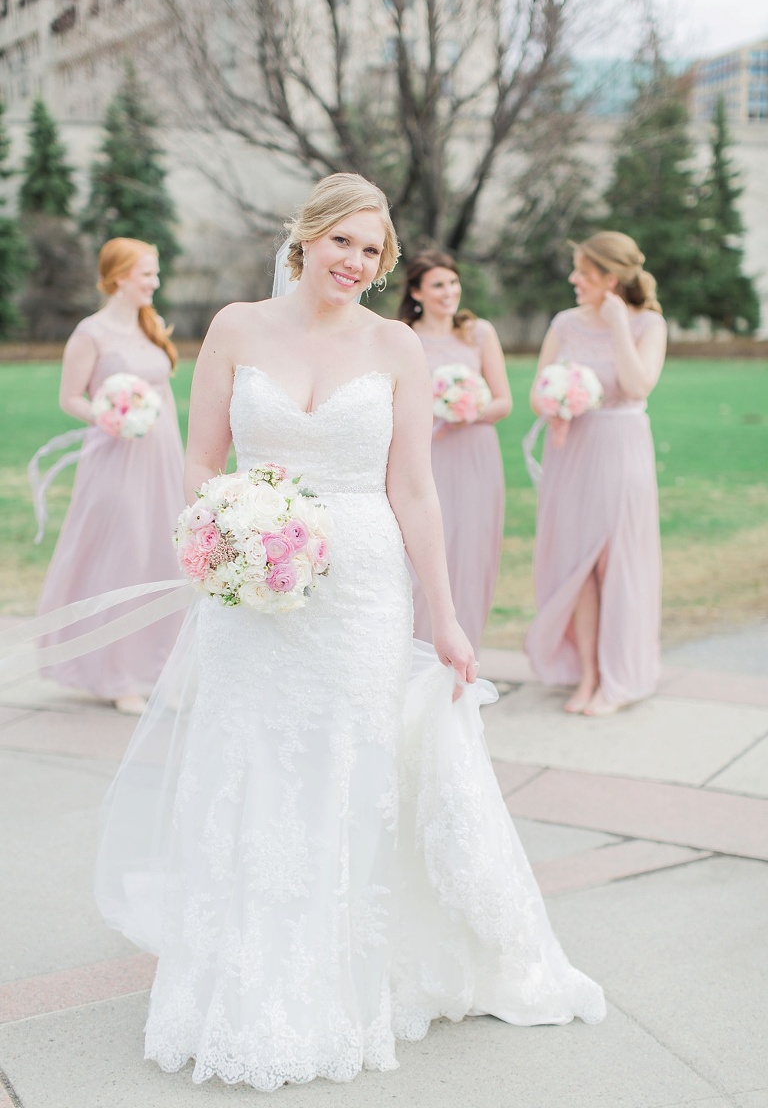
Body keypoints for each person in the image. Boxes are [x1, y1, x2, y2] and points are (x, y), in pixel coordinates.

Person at [94, 174, 605, 1091]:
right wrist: (220, 539)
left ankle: (336, 979)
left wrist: (445, 615)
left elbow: (414, 488)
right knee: (250, 763)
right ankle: (241, 979)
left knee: (345, 769)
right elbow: (203, 454)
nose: (357, 263)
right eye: (344, 242)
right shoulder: (237, 328)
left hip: (364, 587)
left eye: (373, 252)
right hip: (253, 585)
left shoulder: (395, 346)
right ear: (308, 237)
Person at [37, 238, 185, 715]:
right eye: (147, 274)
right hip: (116, 456)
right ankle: (116, 673)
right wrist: (110, 417)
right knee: (125, 550)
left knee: (161, 553)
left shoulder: (151, 325)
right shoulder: (91, 333)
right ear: (120, 276)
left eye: (155, 274)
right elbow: (69, 397)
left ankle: (155, 667)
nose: (154, 283)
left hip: (162, 455)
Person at [526, 231, 667, 716]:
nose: (572, 279)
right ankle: (586, 675)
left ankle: (617, 677)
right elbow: (537, 389)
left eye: (582, 272)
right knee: (577, 568)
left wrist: (618, 326)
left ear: (610, 278)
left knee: (613, 564)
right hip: (571, 453)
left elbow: (637, 383)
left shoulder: (649, 324)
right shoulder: (564, 323)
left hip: (620, 450)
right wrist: (557, 401)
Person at [399, 251, 511, 652]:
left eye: (453, 282)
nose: (449, 292)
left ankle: (466, 655)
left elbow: (503, 402)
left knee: (471, 551)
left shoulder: (479, 333)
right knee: (424, 553)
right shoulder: (403, 336)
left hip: (476, 455)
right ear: (416, 292)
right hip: (425, 456)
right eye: (438, 285)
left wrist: (466, 411)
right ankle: (415, 653)